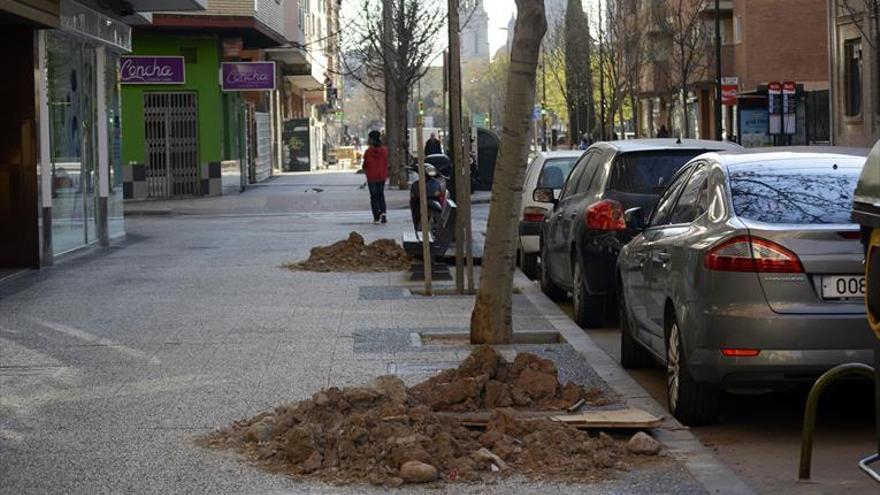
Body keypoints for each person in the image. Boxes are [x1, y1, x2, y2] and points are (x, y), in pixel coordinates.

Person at [362, 130, 388, 224]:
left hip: (372, 177)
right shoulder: (385, 150)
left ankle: (376, 216)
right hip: (382, 176)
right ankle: (383, 213)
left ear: (371, 139)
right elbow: (386, 162)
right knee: (381, 194)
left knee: (374, 196)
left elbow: (365, 165)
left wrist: (365, 169)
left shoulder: (368, 152)